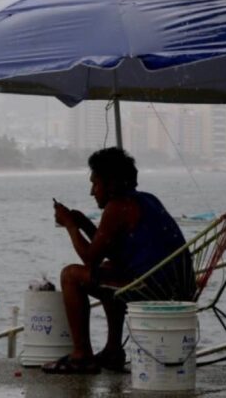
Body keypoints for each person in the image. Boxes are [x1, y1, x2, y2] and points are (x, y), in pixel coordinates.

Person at [42, 147, 195, 374]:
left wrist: (70, 226)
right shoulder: (146, 199)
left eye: (95, 184)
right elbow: (114, 253)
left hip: (155, 289)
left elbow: (90, 259)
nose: (92, 192)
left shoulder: (118, 207)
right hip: (178, 286)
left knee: (71, 275)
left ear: (110, 183)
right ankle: (113, 350)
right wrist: (85, 224)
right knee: (109, 269)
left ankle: (81, 356)